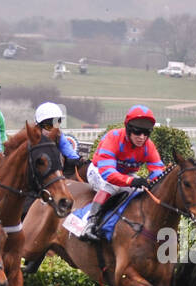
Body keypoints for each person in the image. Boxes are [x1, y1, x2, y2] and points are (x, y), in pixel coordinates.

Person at [80, 105, 164, 242]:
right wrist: (131, 181)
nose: (142, 137)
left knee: (142, 192)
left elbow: (157, 170)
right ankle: (90, 223)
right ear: (128, 129)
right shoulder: (113, 137)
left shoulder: (149, 146)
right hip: (99, 171)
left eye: (146, 133)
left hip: (125, 174)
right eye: (137, 132)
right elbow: (108, 173)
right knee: (112, 186)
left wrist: (152, 182)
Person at [33, 102, 83, 174]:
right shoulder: (31, 139)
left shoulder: (59, 136)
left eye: (56, 125)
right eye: (48, 126)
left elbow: (73, 156)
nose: (54, 131)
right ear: (38, 126)